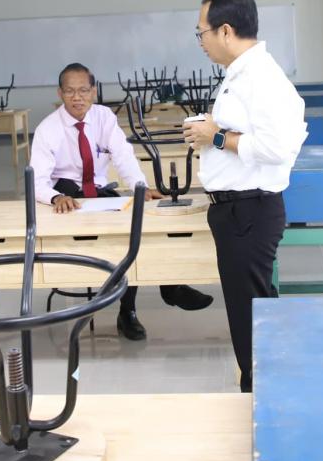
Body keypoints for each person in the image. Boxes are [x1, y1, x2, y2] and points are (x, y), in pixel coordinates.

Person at [30, 63, 214, 340]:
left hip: (100, 195)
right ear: (60, 93)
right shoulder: (48, 129)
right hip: (68, 198)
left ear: (93, 91)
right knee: (121, 243)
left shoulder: (103, 117)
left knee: (138, 227)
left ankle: (162, 290)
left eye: (83, 90)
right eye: (70, 91)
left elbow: (123, 156)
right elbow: (36, 181)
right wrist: (56, 197)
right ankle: (154, 296)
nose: (77, 97)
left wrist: (141, 189)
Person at [182, 0, 307, 392]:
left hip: (249, 212)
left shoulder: (261, 78)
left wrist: (216, 136)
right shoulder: (240, 75)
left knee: (248, 314)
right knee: (254, 309)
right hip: (237, 211)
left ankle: (259, 394)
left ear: (225, 30)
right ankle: (269, 391)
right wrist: (212, 132)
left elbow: (276, 148)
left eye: (201, 32)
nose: (200, 40)